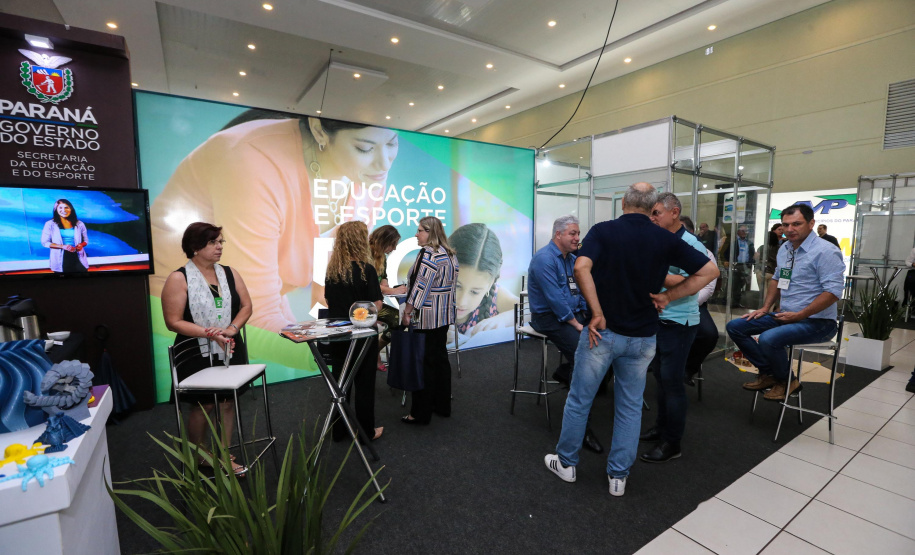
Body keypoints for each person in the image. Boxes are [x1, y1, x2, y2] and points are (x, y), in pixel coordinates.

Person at [543, 183, 718, 497]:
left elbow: (581, 267)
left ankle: (567, 463)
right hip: (643, 336)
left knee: (580, 399)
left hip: (603, 333)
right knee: (629, 407)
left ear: (622, 202)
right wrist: (669, 296)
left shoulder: (603, 231)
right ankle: (618, 477)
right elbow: (710, 271)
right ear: (652, 208)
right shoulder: (664, 237)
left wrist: (596, 311)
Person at [150, 115, 399, 333]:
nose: (385, 163)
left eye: (392, 143)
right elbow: (257, 312)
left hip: (262, 303)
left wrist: (334, 327)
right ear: (320, 131)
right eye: (365, 148)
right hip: (185, 309)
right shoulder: (252, 161)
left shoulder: (369, 174)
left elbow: (327, 286)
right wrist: (330, 345)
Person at [161, 222, 253, 476]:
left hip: (230, 345)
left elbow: (246, 306)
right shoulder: (178, 278)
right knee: (204, 405)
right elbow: (173, 321)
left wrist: (232, 328)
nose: (219, 247)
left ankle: (223, 454)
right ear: (195, 247)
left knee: (226, 402)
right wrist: (210, 333)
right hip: (194, 349)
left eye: (221, 242)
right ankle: (200, 455)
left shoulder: (230, 273)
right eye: (213, 242)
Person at [726, 204, 845, 400]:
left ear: (811, 224)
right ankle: (771, 374)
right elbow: (778, 279)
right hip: (786, 315)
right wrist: (765, 308)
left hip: (817, 322)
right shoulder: (786, 249)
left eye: (796, 224)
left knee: (769, 339)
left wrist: (800, 315)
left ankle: (787, 381)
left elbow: (833, 292)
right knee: (736, 326)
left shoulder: (826, 251)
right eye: (786, 224)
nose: (790, 229)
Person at [638, 194, 708, 463]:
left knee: (672, 382)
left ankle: (672, 442)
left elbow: (694, 279)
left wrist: (651, 271)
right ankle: (661, 427)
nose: (653, 218)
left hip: (679, 322)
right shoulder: (659, 240)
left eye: (656, 213)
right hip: (660, 318)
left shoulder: (689, 243)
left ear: (674, 213)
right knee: (660, 377)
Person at [527, 215, 602, 454]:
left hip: (572, 315)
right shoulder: (544, 260)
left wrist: (587, 316)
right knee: (586, 357)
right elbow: (556, 302)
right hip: (549, 319)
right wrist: (579, 326)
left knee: (605, 343)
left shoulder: (572, 259)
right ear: (558, 234)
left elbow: (578, 291)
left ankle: (564, 373)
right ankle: (581, 429)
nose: (577, 238)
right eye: (572, 233)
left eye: (578, 233)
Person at [324, 221, 384, 441]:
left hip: (338, 334)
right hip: (362, 335)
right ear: (360, 240)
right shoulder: (366, 269)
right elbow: (375, 304)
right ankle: (366, 432)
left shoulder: (333, 270)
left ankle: (339, 432)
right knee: (365, 384)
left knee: (341, 384)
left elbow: (329, 300)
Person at [401, 217, 459, 425]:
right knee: (440, 361)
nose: (416, 234)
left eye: (420, 231)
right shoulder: (449, 254)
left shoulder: (428, 255)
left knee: (423, 364)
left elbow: (419, 289)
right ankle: (442, 406)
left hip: (426, 318)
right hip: (443, 317)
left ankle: (419, 413)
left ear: (430, 232)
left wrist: (407, 312)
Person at [449, 223, 519, 340]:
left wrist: (504, 319)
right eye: (456, 286)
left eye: (475, 292)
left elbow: (535, 310)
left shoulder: (496, 296)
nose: (462, 301)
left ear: (490, 284)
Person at [678, 217, 719, 387]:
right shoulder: (663, 248)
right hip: (665, 305)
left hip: (694, 303)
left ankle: (687, 370)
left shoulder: (705, 253)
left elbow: (708, 288)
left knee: (709, 334)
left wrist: (686, 303)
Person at [369, 225, 408, 371]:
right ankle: (374, 353)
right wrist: (392, 290)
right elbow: (370, 284)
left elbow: (382, 278)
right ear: (385, 241)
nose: (395, 249)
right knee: (398, 320)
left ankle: (374, 352)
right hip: (364, 306)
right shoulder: (366, 255)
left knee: (399, 320)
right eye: (393, 244)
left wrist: (387, 287)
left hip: (376, 303)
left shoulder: (381, 257)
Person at [41, 199, 89, 273]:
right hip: (60, 257)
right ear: (56, 209)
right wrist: (63, 246)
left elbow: (85, 241)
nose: (64, 210)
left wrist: (81, 245)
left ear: (71, 209)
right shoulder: (49, 224)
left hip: (78, 255)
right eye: (60, 208)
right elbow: (45, 242)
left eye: (66, 207)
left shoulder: (80, 224)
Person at [719, 224, 755, 308]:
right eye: (742, 231)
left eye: (746, 231)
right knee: (732, 284)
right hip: (735, 265)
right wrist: (725, 261)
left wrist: (751, 264)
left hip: (745, 265)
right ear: (738, 231)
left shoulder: (749, 243)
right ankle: (727, 301)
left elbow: (751, 254)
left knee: (741, 284)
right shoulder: (732, 241)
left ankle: (736, 302)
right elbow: (723, 253)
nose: (744, 233)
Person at [756, 224, 782, 292]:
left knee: (763, 293)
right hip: (773, 272)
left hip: (761, 271)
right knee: (771, 293)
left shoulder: (762, 248)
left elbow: (755, 257)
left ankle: (765, 303)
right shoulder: (779, 249)